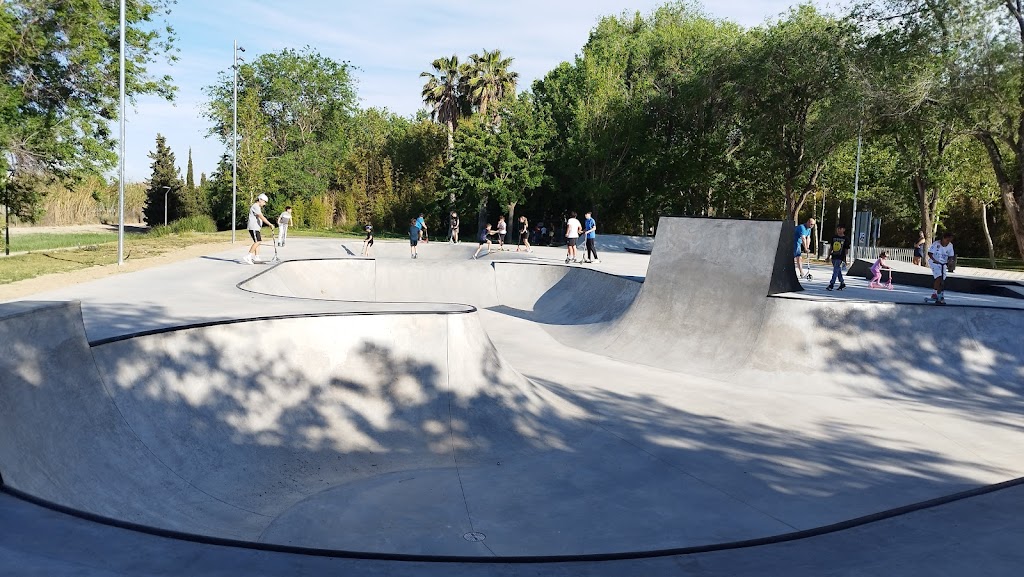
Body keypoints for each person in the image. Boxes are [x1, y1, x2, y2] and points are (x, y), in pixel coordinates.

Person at [242, 193, 274, 264]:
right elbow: (261, 216)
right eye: (264, 201)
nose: (264, 204)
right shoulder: (255, 206)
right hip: (253, 227)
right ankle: (248, 256)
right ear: (260, 200)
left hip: (256, 228)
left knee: (258, 242)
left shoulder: (257, 207)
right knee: (258, 241)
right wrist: (269, 224)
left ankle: (257, 257)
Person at [927, 232, 956, 304]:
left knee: (943, 279)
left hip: (943, 263)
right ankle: (934, 294)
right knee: (939, 277)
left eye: (950, 241)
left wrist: (950, 262)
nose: (948, 242)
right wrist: (935, 260)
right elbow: (930, 253)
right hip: (934, 263)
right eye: (947, 240)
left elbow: (951, 256)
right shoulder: (936, 244)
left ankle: (940, 294)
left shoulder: (950, 245)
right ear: (943, 238)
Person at [826, 224, 849, 291]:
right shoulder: (834, 237)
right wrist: (828, 256)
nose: (838, 230)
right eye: (838, 229)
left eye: (840, 229)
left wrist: (845, 259)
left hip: (840, 256)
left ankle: (831, 284)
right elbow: (831, 247)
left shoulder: (845, 239)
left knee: (835, 270)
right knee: (837, 270)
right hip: (834, 255)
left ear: (843, 230)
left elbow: (846, 250)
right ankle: (842, 283)